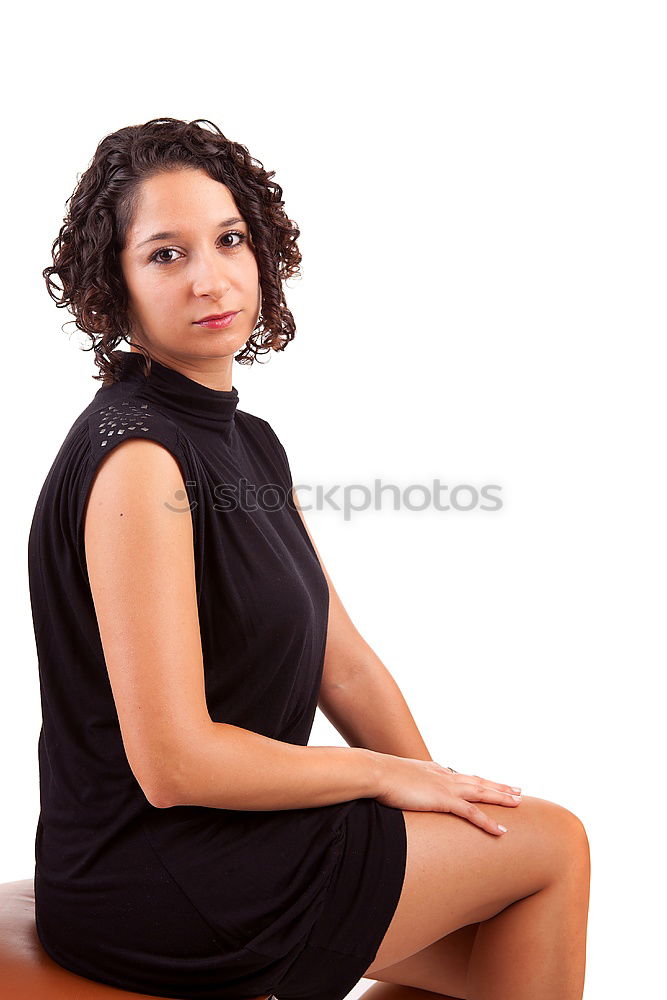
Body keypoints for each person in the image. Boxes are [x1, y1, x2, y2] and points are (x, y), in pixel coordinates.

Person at [29, 118, 590, 1000]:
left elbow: (346, 665)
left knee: (498, 898)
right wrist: (384, 777)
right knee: (553, 846)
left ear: (262, 250)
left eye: (229, 239)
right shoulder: (138, 457)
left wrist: (445, 796)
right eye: (166, 255)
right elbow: (174, 763)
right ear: (116, 286)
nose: (210, 278)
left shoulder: (244, 442)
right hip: (158, 871)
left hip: (241, 842)